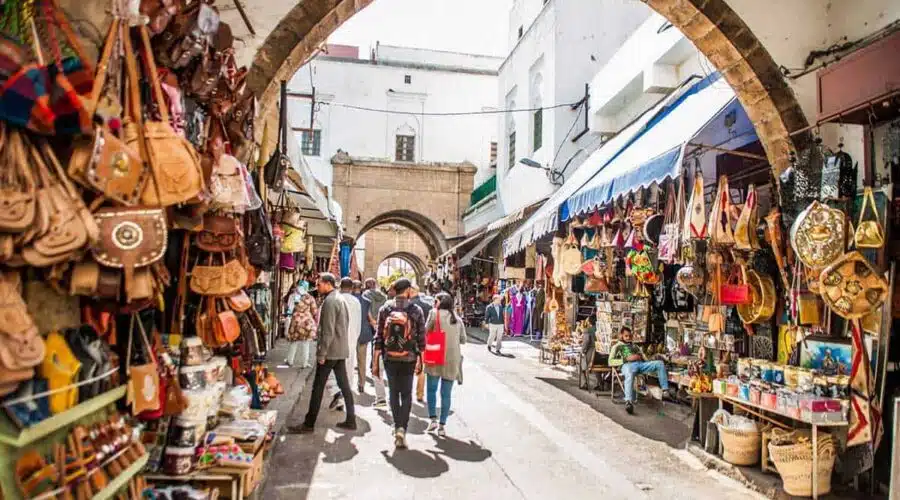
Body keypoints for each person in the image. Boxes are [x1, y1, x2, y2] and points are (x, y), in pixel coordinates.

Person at [294, 273, 356, 433]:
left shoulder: (330, 301)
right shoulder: (339, 298)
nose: (318, 287)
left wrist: (322, 354)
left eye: (319, 284)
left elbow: (328, 331)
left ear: (328, 284)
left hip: (330, 352)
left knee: (318, 387)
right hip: (339, 350)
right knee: (344, 386)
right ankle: (351, 419)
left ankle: (309, 424)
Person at [373, 278, 426, 449]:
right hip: (409, 357)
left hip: (389, 357)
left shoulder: (385, 309)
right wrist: (421, 360)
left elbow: (379, 337)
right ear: (408, 291)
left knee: (393, 393)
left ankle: (397, 427)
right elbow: (421, 339)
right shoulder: (415, 310)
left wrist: (375, 362)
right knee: (407, 393)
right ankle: (402, 428)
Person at [424, 292, 467, 438]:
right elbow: (463, 340)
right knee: (446, 393)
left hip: (435, 354)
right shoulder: (457, 319)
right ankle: (442, 425)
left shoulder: (433, 313)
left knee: (431, 390)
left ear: (439, 302)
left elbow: (426, 331)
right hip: (452, 359)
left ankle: (432, 420)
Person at [609, 326, 672, 415]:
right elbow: (610, 362)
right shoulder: (617, 347)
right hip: (627, 365)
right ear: (621, 336)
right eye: (626, 336)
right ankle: (628, 402)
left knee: (659, 363)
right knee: (630, 373)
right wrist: (626, 359)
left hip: (640, 364)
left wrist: (643, 357)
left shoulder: (635, 346)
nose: (628, 338)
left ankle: (665, 390)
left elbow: (645, 358)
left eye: (630, 336)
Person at [326, 278, 361, 410]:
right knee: (348, 369)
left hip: (337, 340)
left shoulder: (336, 299)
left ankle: (337, 393)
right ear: (352, 288)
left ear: (340, 286)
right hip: (351, 340)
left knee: (333, 370)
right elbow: (358, 323)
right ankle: (344, 396)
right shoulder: (356, 302)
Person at [362, 278, 388, 406]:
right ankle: (375, 363)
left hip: (369, 323)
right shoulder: (383, 296)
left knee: (370, 345)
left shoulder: (365, 295)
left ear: (367, 286)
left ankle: (373, 365)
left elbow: (366, 309)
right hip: (380, 323)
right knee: (377, 345)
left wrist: (371, 321)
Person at [285, 280, 318, 368]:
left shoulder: (293, 296)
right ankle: (304, 363)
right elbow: (314, 311)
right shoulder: (310, 298)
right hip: (307, 321)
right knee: (305, 343)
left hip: (295, 321)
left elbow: (289, 309)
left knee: (294, 342)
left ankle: (290, 361)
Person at [410, 283, 433, 403]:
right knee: (422, 367)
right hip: (423, 340)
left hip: (409, 340)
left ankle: (406, 392)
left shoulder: (407, 305)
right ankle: (420, 394)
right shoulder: (427, 306)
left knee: (408, 366)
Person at [353, 280, 373, 393]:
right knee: (362, 360)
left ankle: (347, 384)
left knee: (348, 361)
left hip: (351, 333)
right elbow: (369, 316)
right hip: (363, 333)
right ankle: (361, 383)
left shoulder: (347, 299)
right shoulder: (366, 301)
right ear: (361, 288)